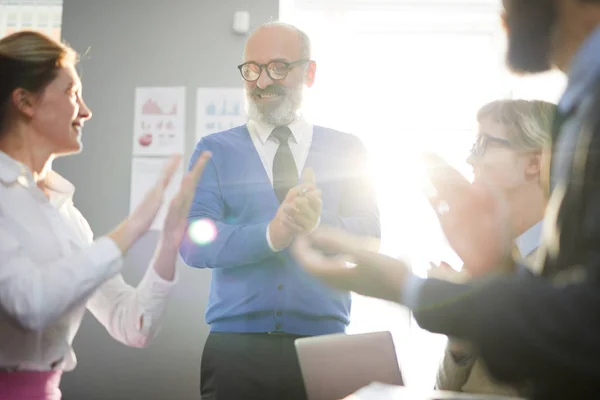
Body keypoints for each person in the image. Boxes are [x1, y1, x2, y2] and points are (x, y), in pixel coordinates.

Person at [291, 0, 600, 398]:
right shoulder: (583, 98)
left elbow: (583, 327)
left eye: (487, 144)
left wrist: (410, 288)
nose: (504, 9)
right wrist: (495, 270)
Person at [0, 31, 211, 400]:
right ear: (25, 101)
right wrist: (133, 228)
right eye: (71, 93)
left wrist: (168, 241)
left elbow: (132, 325)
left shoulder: (64, 214)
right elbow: (30, 304)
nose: (85, 110)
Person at [179, 21, 380, 400]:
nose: (261, 81)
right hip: (235, 353)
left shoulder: (348, 149)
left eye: (278, 68)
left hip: (325, 347)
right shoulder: (215, 151)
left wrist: (316, 226)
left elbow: (369, 235)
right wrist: (272, 234)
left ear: (310, 72)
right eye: (251, 69)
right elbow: (193, 241)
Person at [432, 99, 555, 396]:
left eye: (483, 145)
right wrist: (460, 340)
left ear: (535, 162)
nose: (470, 161)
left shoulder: (572, 267)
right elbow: (443, 391)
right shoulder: (482, 258)